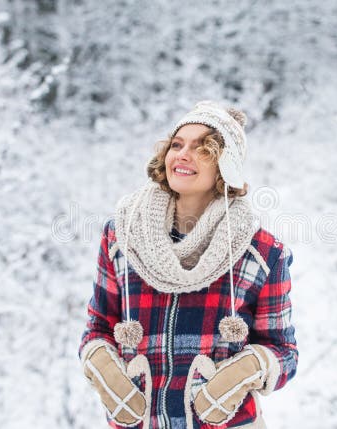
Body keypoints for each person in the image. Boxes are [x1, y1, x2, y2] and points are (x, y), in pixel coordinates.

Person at [78, 100, 298, 428]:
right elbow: (98, 326)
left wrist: (247, 370)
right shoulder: (122, 236)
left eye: (202, 148)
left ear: (227, 166)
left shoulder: (263, 253)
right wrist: (102, 367)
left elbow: (283, 351)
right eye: (177, 145)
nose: (182, 154)